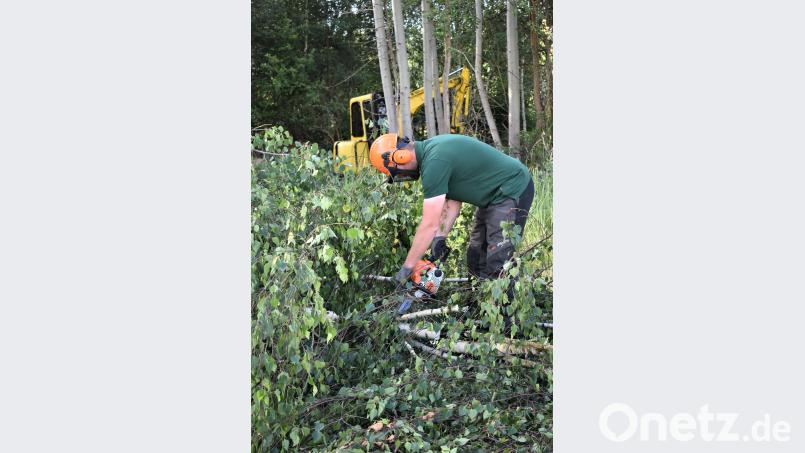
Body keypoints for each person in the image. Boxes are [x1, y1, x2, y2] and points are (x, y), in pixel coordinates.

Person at [368, 133, 535, 294]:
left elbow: (429, 224)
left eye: (399, 172)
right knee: (476, 255)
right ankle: (478, 308)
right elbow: (452, 200)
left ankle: (503, 320)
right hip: (493, 196)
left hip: (513, 187)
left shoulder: (434, 161)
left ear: (401, 157)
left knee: (498, 261)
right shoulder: (431, 154)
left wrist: (407, 268)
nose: (403, 176)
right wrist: (440, 238)